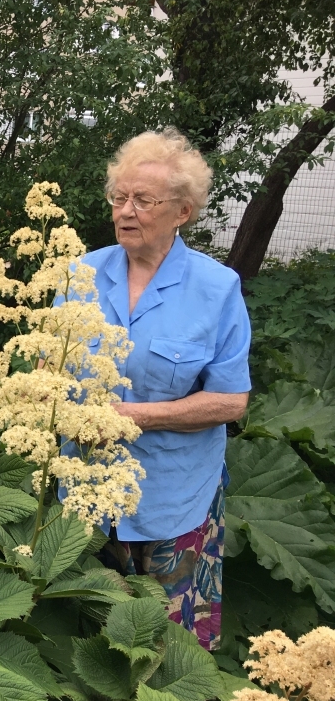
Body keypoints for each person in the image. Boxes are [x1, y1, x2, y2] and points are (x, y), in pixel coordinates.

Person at [78, 128, 251, 650]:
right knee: (89, 638)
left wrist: (137, 417)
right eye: (119, 198)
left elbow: (231, 400)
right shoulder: (80, 274)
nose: (126, 211)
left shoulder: (216, 288)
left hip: (173, 499)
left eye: (143, 200)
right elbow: (50, 363)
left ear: (182, 212)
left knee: (169, 648)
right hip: (84, 491)